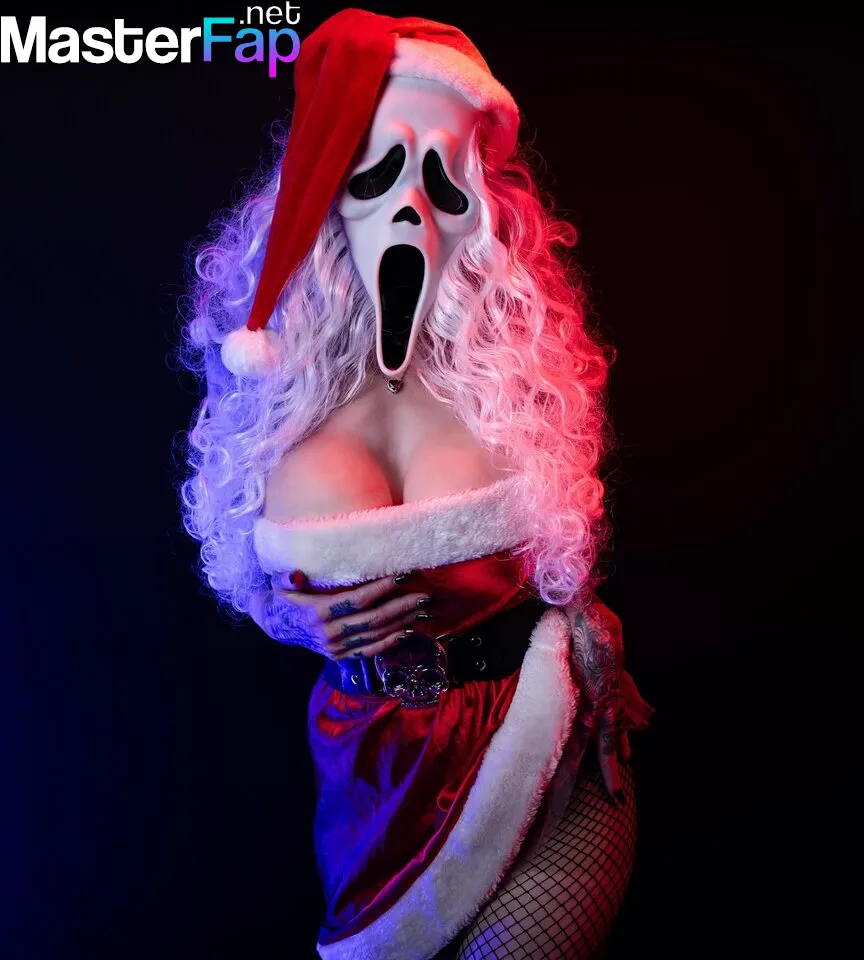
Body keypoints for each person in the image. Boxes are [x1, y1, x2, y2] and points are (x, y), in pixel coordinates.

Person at [177, 9, 653, 958]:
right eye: (378, 172)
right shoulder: (272, 400)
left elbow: (559, 563)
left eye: (441, 179)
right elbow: (250, 577)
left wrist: (596, 641)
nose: (411, 210)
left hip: (548, 749)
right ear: (322, 192)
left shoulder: (510, 379)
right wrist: (293, 617)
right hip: (377, 789)